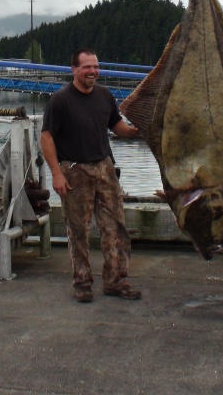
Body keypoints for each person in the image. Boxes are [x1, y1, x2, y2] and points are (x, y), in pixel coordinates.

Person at [40, 48, 141, 303]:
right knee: (78, 231)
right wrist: (56, 174)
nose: (93, 72)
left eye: (95, 67)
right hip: (74, 171)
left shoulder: (105, 95)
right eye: (87, 67)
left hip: (105, 169)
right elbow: (46, 137)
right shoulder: (60, 100)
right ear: (74, 69)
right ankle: (82, 283)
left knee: (115, 228)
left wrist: (132, 132)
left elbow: (115, 124)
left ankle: (116, 281)